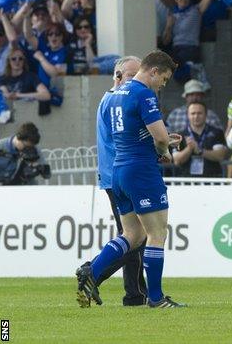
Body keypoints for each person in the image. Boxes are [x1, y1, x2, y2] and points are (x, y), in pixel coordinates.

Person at [76, 50, 186, 308]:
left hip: (120, 171)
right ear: (154, 71)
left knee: (132, 234)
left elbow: (130, 134)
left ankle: (92, 273)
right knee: (157, 233)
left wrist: (160, 140)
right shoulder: (143, 93)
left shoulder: (115, 96)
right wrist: (163, 149)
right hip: (141, 171)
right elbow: (158, 139)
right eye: (165, 79)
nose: (163, 85)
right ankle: (156, 299)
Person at [76, 56, 149, 308]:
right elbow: (125, 142)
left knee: (134, 236)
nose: (138, 79)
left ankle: (135, 294)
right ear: (118, 77)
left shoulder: (110, 100)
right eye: (132, 75)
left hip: (114, 175)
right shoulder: (116, 102)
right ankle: (93, 273)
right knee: (135, 236)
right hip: (120, 176)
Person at [159, 0, 217, 83]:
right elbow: (166, 42)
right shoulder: (173, 15)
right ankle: (194, 68)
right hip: (176, 48)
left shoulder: (196, 10)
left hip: (190, 48)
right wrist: (168, 26)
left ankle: (195, 69)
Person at [171, 101, 227, 177]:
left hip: (212, 180)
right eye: (193, 113)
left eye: (199, 113)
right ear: (188, 115)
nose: (196, 116)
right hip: (186, 181)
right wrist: (189, 148)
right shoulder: (178, 136)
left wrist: (200, 151)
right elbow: (177, 160)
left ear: (206, 115)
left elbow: (220, 155)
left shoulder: (216, 132)